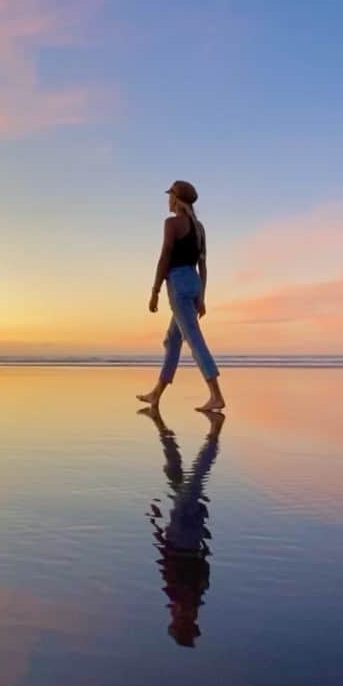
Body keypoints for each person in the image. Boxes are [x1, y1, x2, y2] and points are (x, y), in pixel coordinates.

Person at [139, 404, 224, 647]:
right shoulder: (190, 596)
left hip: (183, 533)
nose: (178, 616)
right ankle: (212, 437)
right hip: (185, 534)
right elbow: (182, 559)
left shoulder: (185, 595)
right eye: (182, 622)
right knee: (194, 479)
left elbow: (166, 558)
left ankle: (166, 434)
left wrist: (156, 521)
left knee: (180, 480)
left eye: (178, 621)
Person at [137, 180, 225, 412]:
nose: (168, 200)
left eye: (170, 196)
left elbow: (165, 256)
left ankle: (216, 395)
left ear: (176, 199)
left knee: (194, 339)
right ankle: (156, 393)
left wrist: (154, 291)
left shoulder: (172, 223)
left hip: (177, 283)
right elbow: (203, 265)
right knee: (172, 339)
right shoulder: (199, 227)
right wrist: (202, 296)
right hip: (194, 282)